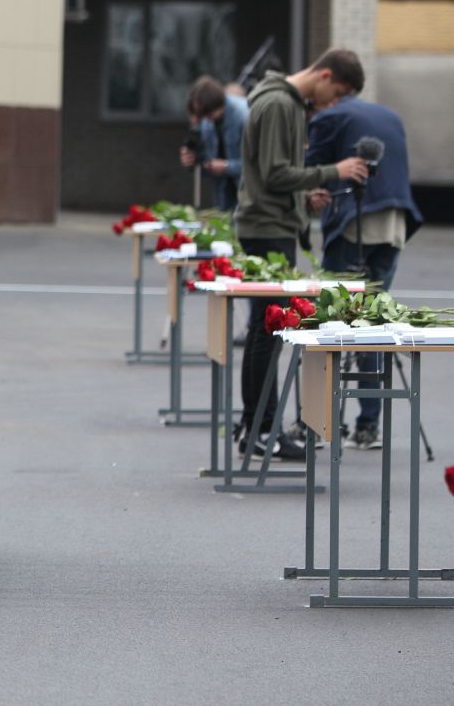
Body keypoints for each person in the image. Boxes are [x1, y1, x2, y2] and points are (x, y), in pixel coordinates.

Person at [233, 48, 369, 459]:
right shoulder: (278, 104)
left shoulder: (284, 102)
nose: (330, 104)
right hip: (266, 228)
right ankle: (260, 428)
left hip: (273, 223)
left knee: (266, 329)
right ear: (324, 74)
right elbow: (275, 174)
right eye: (335, 93)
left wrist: (304, 197)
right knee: (269, 332)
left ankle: (255, 427)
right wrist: (334, 171)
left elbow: (273, 174)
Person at [306, 93, 422, 449]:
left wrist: (313, 195)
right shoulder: (387, 113)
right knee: (371, 321)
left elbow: (312, 175)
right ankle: (368, 424)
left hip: (355, 224)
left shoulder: (328, 117)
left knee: (331, 321)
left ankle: (315, 421)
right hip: (393, 224)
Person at [180, 74, 247, 211]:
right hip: (222, 196)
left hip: (247, 197)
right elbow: (208, 162)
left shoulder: (244, 117)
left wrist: (227, 166)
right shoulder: (208, 121)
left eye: (207, 114)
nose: (205, 120)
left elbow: (257, 165)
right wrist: (194, 161)